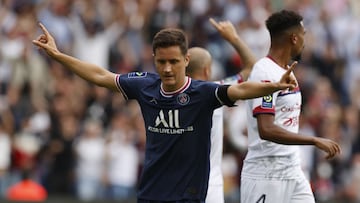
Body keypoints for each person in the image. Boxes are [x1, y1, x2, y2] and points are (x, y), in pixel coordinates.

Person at [32, 22, 296, 203]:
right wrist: (58, 55)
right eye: (161, 62)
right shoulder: (145, 86)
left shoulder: (204, 92)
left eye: (173, 62)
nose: (167, 69)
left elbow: (239, 90)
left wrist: (274, 85)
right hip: (152, 192)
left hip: (191, 195)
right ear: (154, 59)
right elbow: (101, 75)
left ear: (186, 61)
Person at [242, 9, 342, 203]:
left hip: (292, 169)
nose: (306, 42)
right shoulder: (265, 73)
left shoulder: (288, 71)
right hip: (266, 174)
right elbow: (266, 129)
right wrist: (314, 140)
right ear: (294, 38)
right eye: (304, 36)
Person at [186, 18, 256, 203]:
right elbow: (251, 68)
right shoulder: (216, 91)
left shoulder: (168, 96)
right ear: (208, 70)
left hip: (178, 185)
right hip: (210, 187)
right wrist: (233, 38)